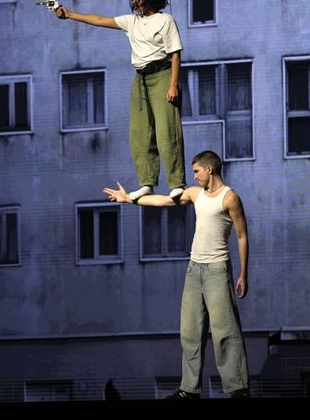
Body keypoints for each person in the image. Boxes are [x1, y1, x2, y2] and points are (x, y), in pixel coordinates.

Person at [103, 150, 251, 399]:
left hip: (217, 270)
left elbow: (242, 236)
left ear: (210, 170)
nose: (194, 177)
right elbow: (163, 201)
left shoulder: (230, 198)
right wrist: (129, 199)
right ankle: (189, 390)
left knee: (224, 330)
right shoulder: (195, 194)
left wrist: (243, 274)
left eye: (196, 171)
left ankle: (238, 389)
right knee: (190, 331)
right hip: (194, 269)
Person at [53, 0, 186, 201]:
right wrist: (69, 14)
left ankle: (176, 183)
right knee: (140, 133)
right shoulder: (131, 22)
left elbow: (176, 54)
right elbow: (99, 19)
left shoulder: (165, 20)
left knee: (167, 131)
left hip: (162, 75)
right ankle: (147, 182)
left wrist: (173, 85)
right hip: (141, 79)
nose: (135, 1)